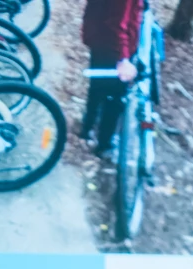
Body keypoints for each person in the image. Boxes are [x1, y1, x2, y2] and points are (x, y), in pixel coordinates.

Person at [80, 0, 142, 156]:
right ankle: (104, 144)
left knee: (97, 86)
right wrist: (123, 59)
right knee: (115, 98)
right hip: (112, 46)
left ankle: (87, 126)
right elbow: (117, 23)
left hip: (99, 37)